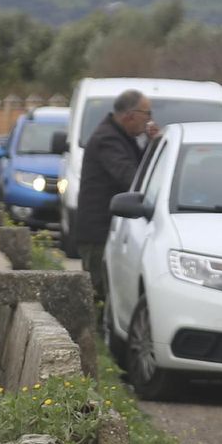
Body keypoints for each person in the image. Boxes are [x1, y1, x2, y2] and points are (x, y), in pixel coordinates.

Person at [76, 89, 159, 303]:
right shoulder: (108, 139)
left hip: (109, 231)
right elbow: (131, 178)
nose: (149, 120)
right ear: (130, 115)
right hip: (98, 235)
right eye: (147, 114)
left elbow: (140, 170)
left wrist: (152, 145)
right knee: (99, 296)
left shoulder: (122, 137)